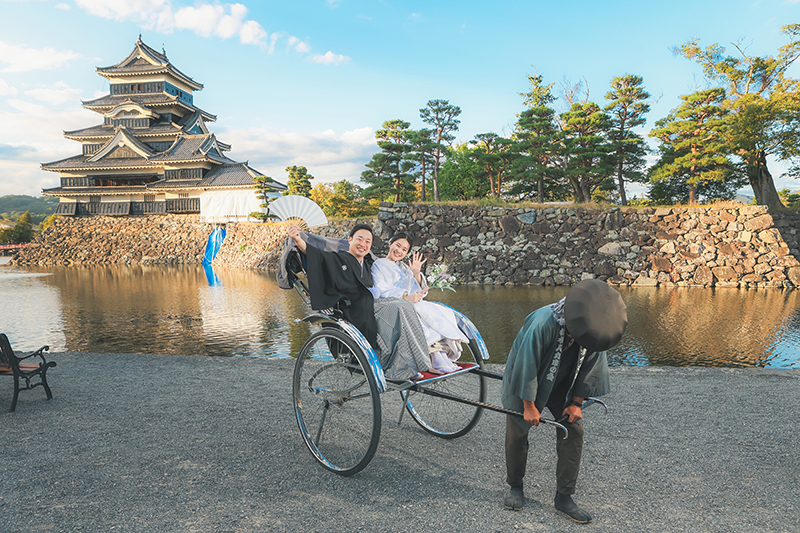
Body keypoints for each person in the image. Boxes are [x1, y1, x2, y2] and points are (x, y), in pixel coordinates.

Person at [501, 279, 627, 524]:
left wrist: (576, 403)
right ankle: (515, 486)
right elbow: (525, 365)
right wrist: (529, 406)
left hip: (564, 381)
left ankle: (564, 496)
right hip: (528, 379)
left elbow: (592, 366)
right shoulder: (542, 323)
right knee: (517, 431)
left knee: (573, 430)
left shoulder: (596, 328)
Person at [286, 224, 433, 381]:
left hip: (372, 303)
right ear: (350, 240)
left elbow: (387, 287)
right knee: (399, 306)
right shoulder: (338, 258)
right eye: (359, 239)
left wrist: (414, 278)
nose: (363, 244)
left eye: (368, 241)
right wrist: (298, 239)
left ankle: (413, 363)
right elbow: (317, 256)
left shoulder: (369, 264)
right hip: (352, 307)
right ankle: (399, 364)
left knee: (405, 306)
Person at [370, 233, 469, 373]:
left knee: (438, 309)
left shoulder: (404, 266)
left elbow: (415, 289)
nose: (399, 251)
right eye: (397, 245)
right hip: (393, 304)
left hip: (409, 302)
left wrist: (416, 274)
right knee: (422, 313)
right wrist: (405, 297)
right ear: (390, 244)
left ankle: (441, 354)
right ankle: (434, 356)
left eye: (404, 250)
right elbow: (382, 289)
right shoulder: (379, 264)